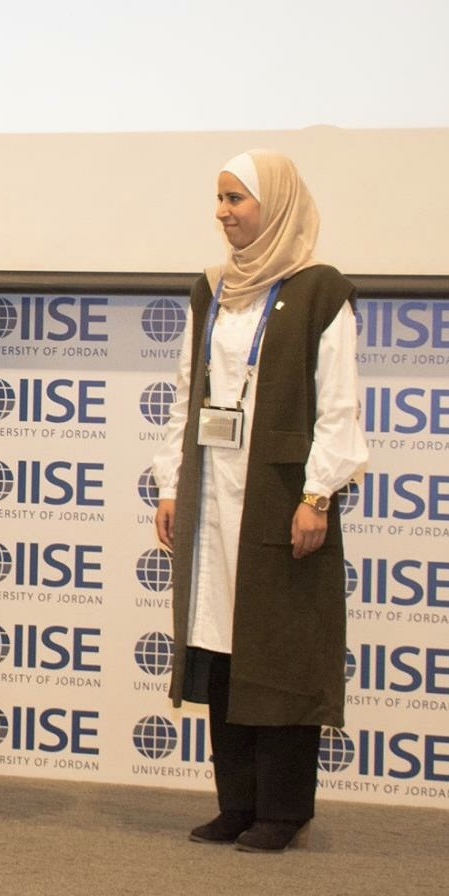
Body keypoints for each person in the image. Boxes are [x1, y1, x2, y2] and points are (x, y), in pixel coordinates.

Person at [152, 150, 367, 853]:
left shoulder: (319, 290)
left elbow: (339, 405)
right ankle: (236, 803)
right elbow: (187, 392)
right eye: (219, 198)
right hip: (212, 493)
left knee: (280, 649)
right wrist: (172, 484)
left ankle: (284, 809)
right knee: (221, 646)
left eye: (236, 198)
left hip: (279, 497)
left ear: (273, 206)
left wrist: (317, 495)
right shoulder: (213, 288)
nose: (222, 212)